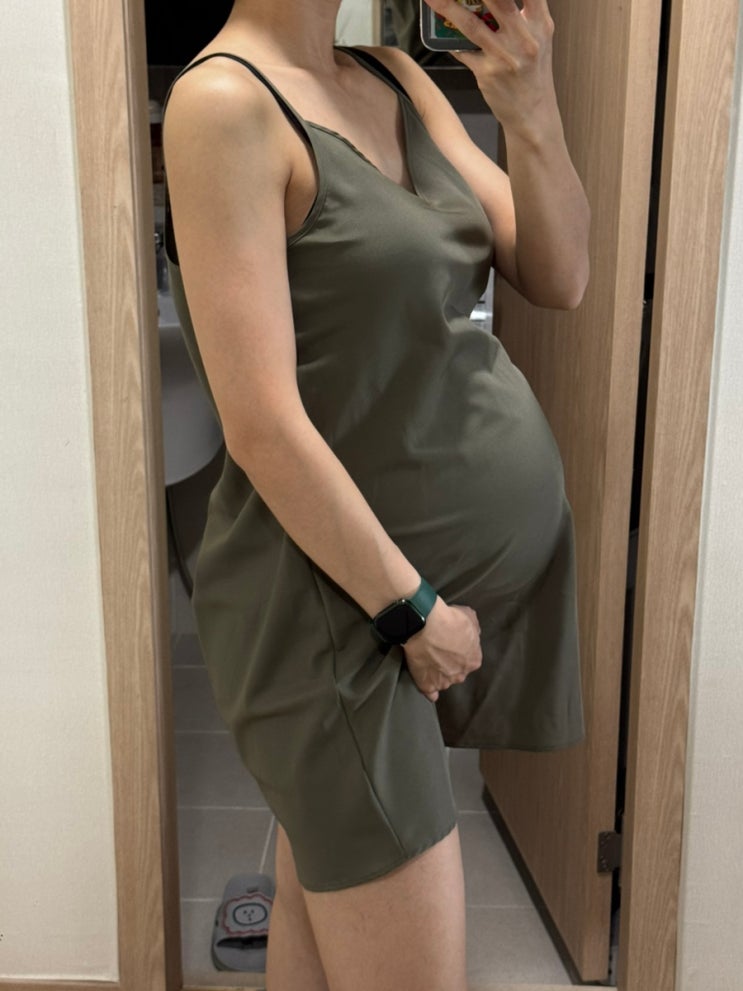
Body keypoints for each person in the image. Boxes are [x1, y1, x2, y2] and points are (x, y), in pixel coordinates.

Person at [162, 1, 590, 988]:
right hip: (335, 611)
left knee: (320, 925)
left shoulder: (394, 77)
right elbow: (261, 423)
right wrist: (412, 612)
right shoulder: (224, 103)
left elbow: (560, 273)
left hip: (386, 601)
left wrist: (530, 109)